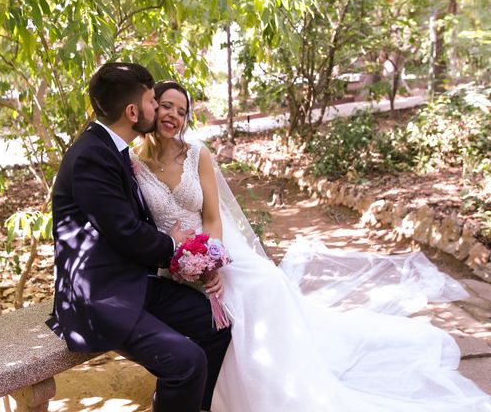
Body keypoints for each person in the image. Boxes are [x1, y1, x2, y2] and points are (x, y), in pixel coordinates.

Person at [132, 79, 491, 412]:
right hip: (170, 262)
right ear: (151, 108)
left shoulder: (198, 153)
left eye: (181, 111)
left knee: (261, 290)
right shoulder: (134, 163)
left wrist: (210, 263)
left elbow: (213, 218)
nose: (173, 116)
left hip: (214, 252)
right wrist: (177, 260)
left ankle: (267, 388)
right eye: (166, 106)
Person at [46, 63, 231, 412]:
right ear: (133, 112)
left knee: (217, 324)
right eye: (152, 101)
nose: (158, 108)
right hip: (100, 298)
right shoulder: (92, 156)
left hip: (132, 281)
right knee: (187, 362)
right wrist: (175, 246)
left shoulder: (109, 147)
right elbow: (125, 232)